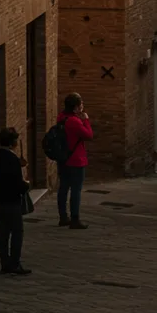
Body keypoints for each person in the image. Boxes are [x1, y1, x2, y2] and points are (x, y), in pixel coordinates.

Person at [0, 127, 31, 275]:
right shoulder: (11, 159)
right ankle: (14, 263)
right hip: (11, 200)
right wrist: (26, 185)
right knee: (17, 232)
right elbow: (16, 183)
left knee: (3, 232)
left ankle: (4, 263)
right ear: (13, 143)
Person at [57, 93, 93, 229]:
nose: (83, 106)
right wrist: (86, 120)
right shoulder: (74, 121)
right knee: (76, 190)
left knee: (63, 188)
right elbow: (89, 135)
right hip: (76, 159)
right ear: (75, 108)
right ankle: (75, 219)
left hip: (64, 159)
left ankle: (63, 216)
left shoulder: (61, 117)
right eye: (80, 104)